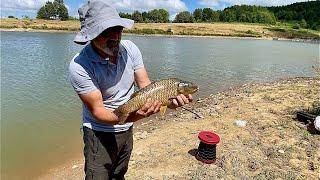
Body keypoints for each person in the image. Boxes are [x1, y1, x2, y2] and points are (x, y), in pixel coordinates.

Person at [68, 0, 193, 179]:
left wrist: (168, 102)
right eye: (106, 31)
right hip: (98, 132)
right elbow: (99, 112)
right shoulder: (79, 66)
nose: (115, 36)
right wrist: (141, 114)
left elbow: (146, 86)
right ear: (91, 35)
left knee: (119, 174)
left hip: (126, 127)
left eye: (118, 29)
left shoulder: (131, 49)